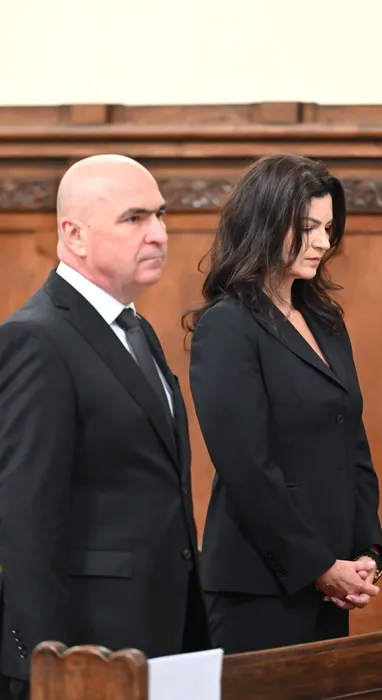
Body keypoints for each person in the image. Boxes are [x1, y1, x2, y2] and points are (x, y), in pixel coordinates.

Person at [0, 154, 210, 699]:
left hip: (162, 632)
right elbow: (26, 521)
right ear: (74, 234)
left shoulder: (136, 329)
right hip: (85, 652)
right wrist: (47, 666)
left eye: (160, 215)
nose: (159, 234)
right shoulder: (36, 339)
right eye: (134, 218)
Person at [185, 154, 382, 654]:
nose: (323, 242)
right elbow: (246, 467)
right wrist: (318, 566)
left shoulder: (326, 321)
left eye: (328, 228)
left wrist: (367, 550)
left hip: (333, 576)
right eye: (308, 227)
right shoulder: (228, 325)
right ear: (264, 224)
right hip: (259, 584)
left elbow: (353, 444)